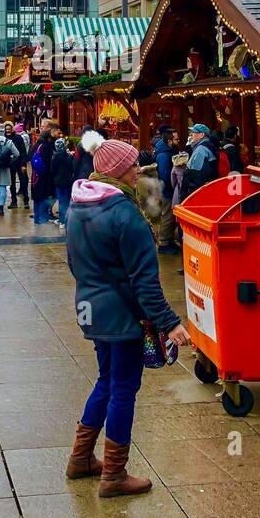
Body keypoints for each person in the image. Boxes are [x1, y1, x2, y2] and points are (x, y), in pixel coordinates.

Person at [64, 138, 191, 497]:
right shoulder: (125, 214)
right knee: (123, 389)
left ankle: (80, 459)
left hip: (92, 311)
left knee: (106, 381)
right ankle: (115, 475)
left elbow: (74, 264)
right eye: (134, 165)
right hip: (121, 319)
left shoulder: (78, 206)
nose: (139, 170)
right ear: (119, 170)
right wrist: (171, 323)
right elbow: (145, 284)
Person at [151, 126, 179, 254]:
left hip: (167, 189)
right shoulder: (164, 155)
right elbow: (164, 174)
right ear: (169, 141)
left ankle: (169, 240)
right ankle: (163, 243)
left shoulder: (167, 151)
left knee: (170, 215)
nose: (178, 141)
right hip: (166, 190)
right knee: (167, 216)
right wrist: (172, 185)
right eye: (176, 139)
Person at [181, 123, 219, 199]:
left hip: (196, 194)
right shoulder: (205, 147)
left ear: (201, 135)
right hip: (205, 189)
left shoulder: (201, 150)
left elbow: (196, 175)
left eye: (194, 132)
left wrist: (188, 193)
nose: (191, 134)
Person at [31, 125, 56, 224]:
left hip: (35, 175)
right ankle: (42, 217)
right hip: (44, 176)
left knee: (37, 198)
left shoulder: (37, 145)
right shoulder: (46, 147)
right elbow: (49, 163)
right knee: (44, 196)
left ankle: (37, 217)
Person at [52, 135, 75, 229]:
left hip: (58, 182)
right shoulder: (69, 156)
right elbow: (72, 168)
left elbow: (53, 170)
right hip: (68, 181)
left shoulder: (55, 157)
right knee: (67, 201)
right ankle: (66, 220)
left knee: (61, 201)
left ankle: (62, 221)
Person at [11, 123, 31, 209]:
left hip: (20, 163)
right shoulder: (5, 138)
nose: (7, 130)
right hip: (11, 164)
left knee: (23, 181)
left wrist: (24, 164)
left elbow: (23, 151)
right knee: (12, 183)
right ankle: (14, 201)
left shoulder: (19, 138)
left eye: (9, 128)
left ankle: (26, 200)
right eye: (6, 129)